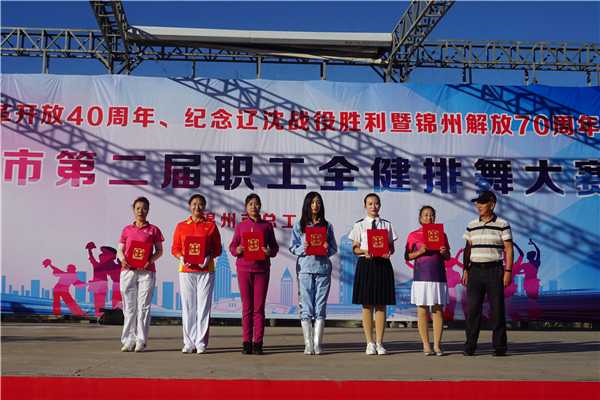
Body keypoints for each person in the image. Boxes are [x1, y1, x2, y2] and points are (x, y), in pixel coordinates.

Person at [462, 190, 513, 356]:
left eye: (482, 202)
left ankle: (500, 347)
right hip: (475, 271)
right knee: (473, 310)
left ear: (492, 204)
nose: (479, 205)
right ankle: (470, 346)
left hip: (494, 270)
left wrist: (508, 271)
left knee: (497, 310)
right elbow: (468, 249)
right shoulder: (471, 225)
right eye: (477, 202)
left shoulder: (502, 224)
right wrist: (465, 269)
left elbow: (508, 248)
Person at [172, 194, 222, 354]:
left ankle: (200, 343)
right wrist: (182, 257)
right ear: (189, 206)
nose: (197, 207)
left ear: (204, 207)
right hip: (186, 271)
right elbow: (175, 248)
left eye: (200, 204)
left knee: (203, 308)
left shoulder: (211, 226)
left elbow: (218, 249)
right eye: (194, 204)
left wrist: (208, 257)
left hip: (206, 270)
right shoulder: (181, 226)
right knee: (188, 307)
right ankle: (188, 342)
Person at [229, 193, 279, 355]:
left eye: (256, 204)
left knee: (259, 308)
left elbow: (275, 248)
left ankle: (257, 343)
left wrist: (269, 251)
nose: (253, 206)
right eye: (250, 204)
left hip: (261, 270)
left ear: (260, 206)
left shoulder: (267, 226)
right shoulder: (241, 226)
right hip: (244, 269)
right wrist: (237, 250)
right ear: (246, 207)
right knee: (247, 308)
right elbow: (232, 247)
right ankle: (246, 342)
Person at [289, 192, 338, 355]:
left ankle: (317, 344)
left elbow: (334, 248)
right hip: (305, 269)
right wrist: (303, 247)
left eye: (318, 202)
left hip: (323, 269)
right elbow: (292, 247)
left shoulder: (327, 226)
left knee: (320, 306)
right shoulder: (300, 225)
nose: (315, 205)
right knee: (306, 307)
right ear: (307, 205)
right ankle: (308, 344)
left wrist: (327, 248)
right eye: (312, 202)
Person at [349, 193, 397, 356]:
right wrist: (364, 251)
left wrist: (388, 251)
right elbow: (355, 248)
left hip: (383, 265)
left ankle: (380, 342)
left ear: (380, 205)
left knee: (381, 304)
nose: (373, 206)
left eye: (376, 203)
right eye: (370, 204)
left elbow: (391, 247)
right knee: (367, 304)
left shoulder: (387, 225)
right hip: (366, 265)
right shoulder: (359, 225)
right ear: (365, 206)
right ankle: (369, 342)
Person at [117, 196, 164, 352]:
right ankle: (128, 340)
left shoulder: (154, 230)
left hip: (146, 272)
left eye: (144, 208)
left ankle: (141, 341)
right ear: (133, 209)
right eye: (138, 208)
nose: (141, 211)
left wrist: (150, 261)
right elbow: (120, 249)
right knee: (129, 308)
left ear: (148, 210)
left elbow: (159, 251)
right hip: (128, 271)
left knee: (143, 307)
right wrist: (123, 260)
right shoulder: (127, 229)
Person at [404, 206, 450, 356]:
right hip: (421, 277)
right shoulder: (413, 235)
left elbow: (448, 257)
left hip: (438, 276)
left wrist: (444, 252)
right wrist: (420, 251)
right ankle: (426, 344)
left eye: (431, 215)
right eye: (425, 215)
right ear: (420, 218)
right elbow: (407, 256)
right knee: (422, 311)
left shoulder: (441, 234)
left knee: (437, 311)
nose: (429, 218)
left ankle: (437, 345)